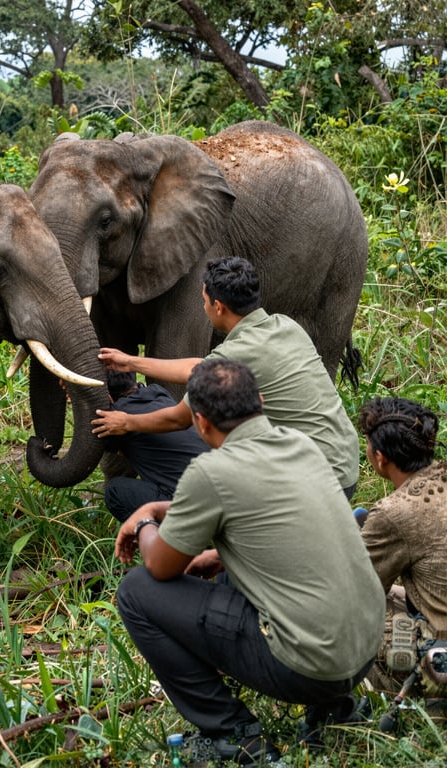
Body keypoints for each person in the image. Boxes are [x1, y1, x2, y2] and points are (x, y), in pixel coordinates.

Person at [114, 359, 385, 765]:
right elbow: (274, 519)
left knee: (135, 592)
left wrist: (145, 520)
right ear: (259, 401)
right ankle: (333, 708)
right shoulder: (301, 445)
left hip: (308, 668)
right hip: (363, 652)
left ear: (201, 423)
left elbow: (160, 566)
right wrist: (219, 554)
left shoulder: (212, 474)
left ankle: (232, 733)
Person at [93, 256, 359, 499]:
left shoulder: (238, 350)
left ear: (217, 307)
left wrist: (126, 422)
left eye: (204, 300)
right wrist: (131, 362)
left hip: (317, 481)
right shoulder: (285, 326)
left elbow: (178, 418)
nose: (203, 306)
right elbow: (199, 367)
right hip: (345, 463)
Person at [357, 397, 447, 698]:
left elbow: (357, 593)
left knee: (340, 615)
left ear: (380, 458)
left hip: (439, 658)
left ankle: (396, 686)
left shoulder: (395, 513)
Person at [102, 371, 210, 522]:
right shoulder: (159, 393)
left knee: (115, 491)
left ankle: (161, 541)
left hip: (190, 509)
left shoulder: (115, 419)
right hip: (224, 497)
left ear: (107, 397)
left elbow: (88, 447)